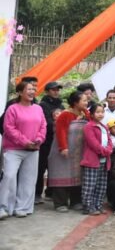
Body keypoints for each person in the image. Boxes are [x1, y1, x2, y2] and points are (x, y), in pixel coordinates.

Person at [0, 81, 46, 219]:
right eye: (28, 89)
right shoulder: (12, 109)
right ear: (20, 92)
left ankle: (22, 207)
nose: (32, 92)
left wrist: (38, 139)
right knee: (9, 176)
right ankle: (3, 207)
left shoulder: (38, 109)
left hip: (33, 149)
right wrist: (25, 142)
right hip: (13, 149)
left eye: (33, 89)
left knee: (29, 179)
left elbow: (43, 126)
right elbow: (9, 128)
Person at [48, 91, 88, 213]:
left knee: (77, 175)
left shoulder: (85, 113)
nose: (86, 103)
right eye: (84, 100)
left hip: (78, 151)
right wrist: (63, 147)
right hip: (64, 151)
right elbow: (61, 131)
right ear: (76, 102)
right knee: (61, 174)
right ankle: (60, 203)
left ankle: (76, 201)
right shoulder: (65, 115)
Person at [81, 104, 112, 215]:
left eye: (102, 112)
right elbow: (93, 143)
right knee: (90, 185)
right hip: (92, 160)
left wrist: (109, 150)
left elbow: (109, 141)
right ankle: (88, 206)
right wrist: (105, 151)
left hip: (104, 160)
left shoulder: (104, 127)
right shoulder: (89, 126)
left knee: (101, 185)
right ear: (92, 114)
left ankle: (98, 205)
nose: (100, 114)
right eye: (98, 112)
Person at [36, 81, 64, 203]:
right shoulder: (42, 105)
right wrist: (58, 125)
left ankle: (50, 192)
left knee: (55, 168)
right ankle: (37, 193)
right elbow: (45, 122)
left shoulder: (61, 105)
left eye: (57, 89)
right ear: (47, 91)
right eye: (53, 90)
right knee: (40, 168)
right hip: (45, 141)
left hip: (57, 141)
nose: (56, 92)